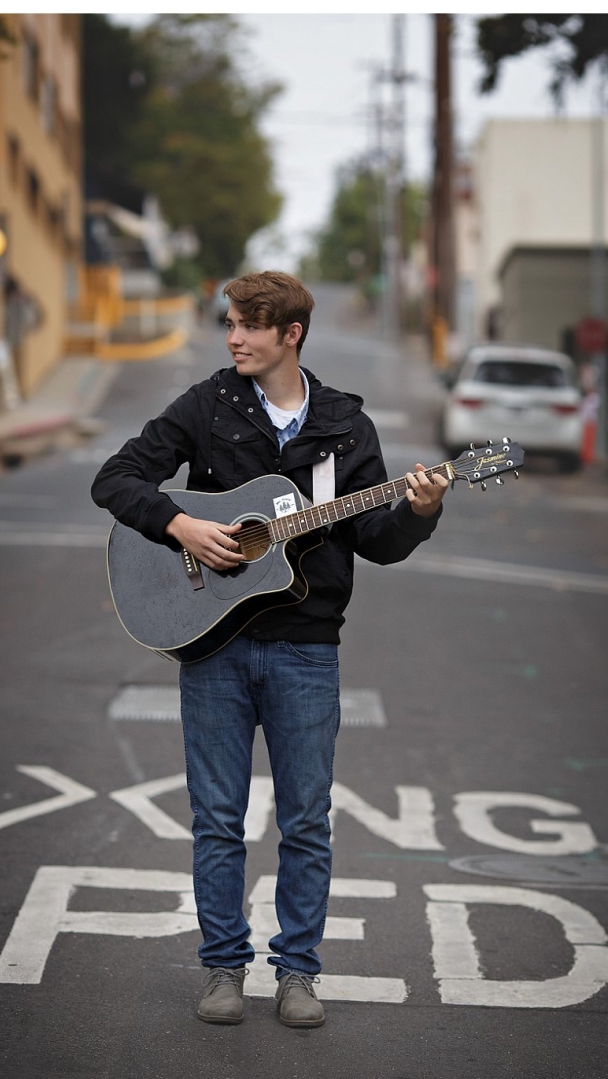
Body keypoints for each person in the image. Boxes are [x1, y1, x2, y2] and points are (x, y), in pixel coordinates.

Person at [91, 271, 448, 1028]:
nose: (234, 337)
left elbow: (375, 541)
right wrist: (179, 526)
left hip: (307, 649)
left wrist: (418, 511)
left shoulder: (347, 427)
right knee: (218, 818)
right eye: (231, 323)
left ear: (292, 334)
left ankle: (298, 973)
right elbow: (115, 478)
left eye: (251, 325)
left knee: (306, 820)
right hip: (213, 646)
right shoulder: (208, 405)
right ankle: (223, 968)